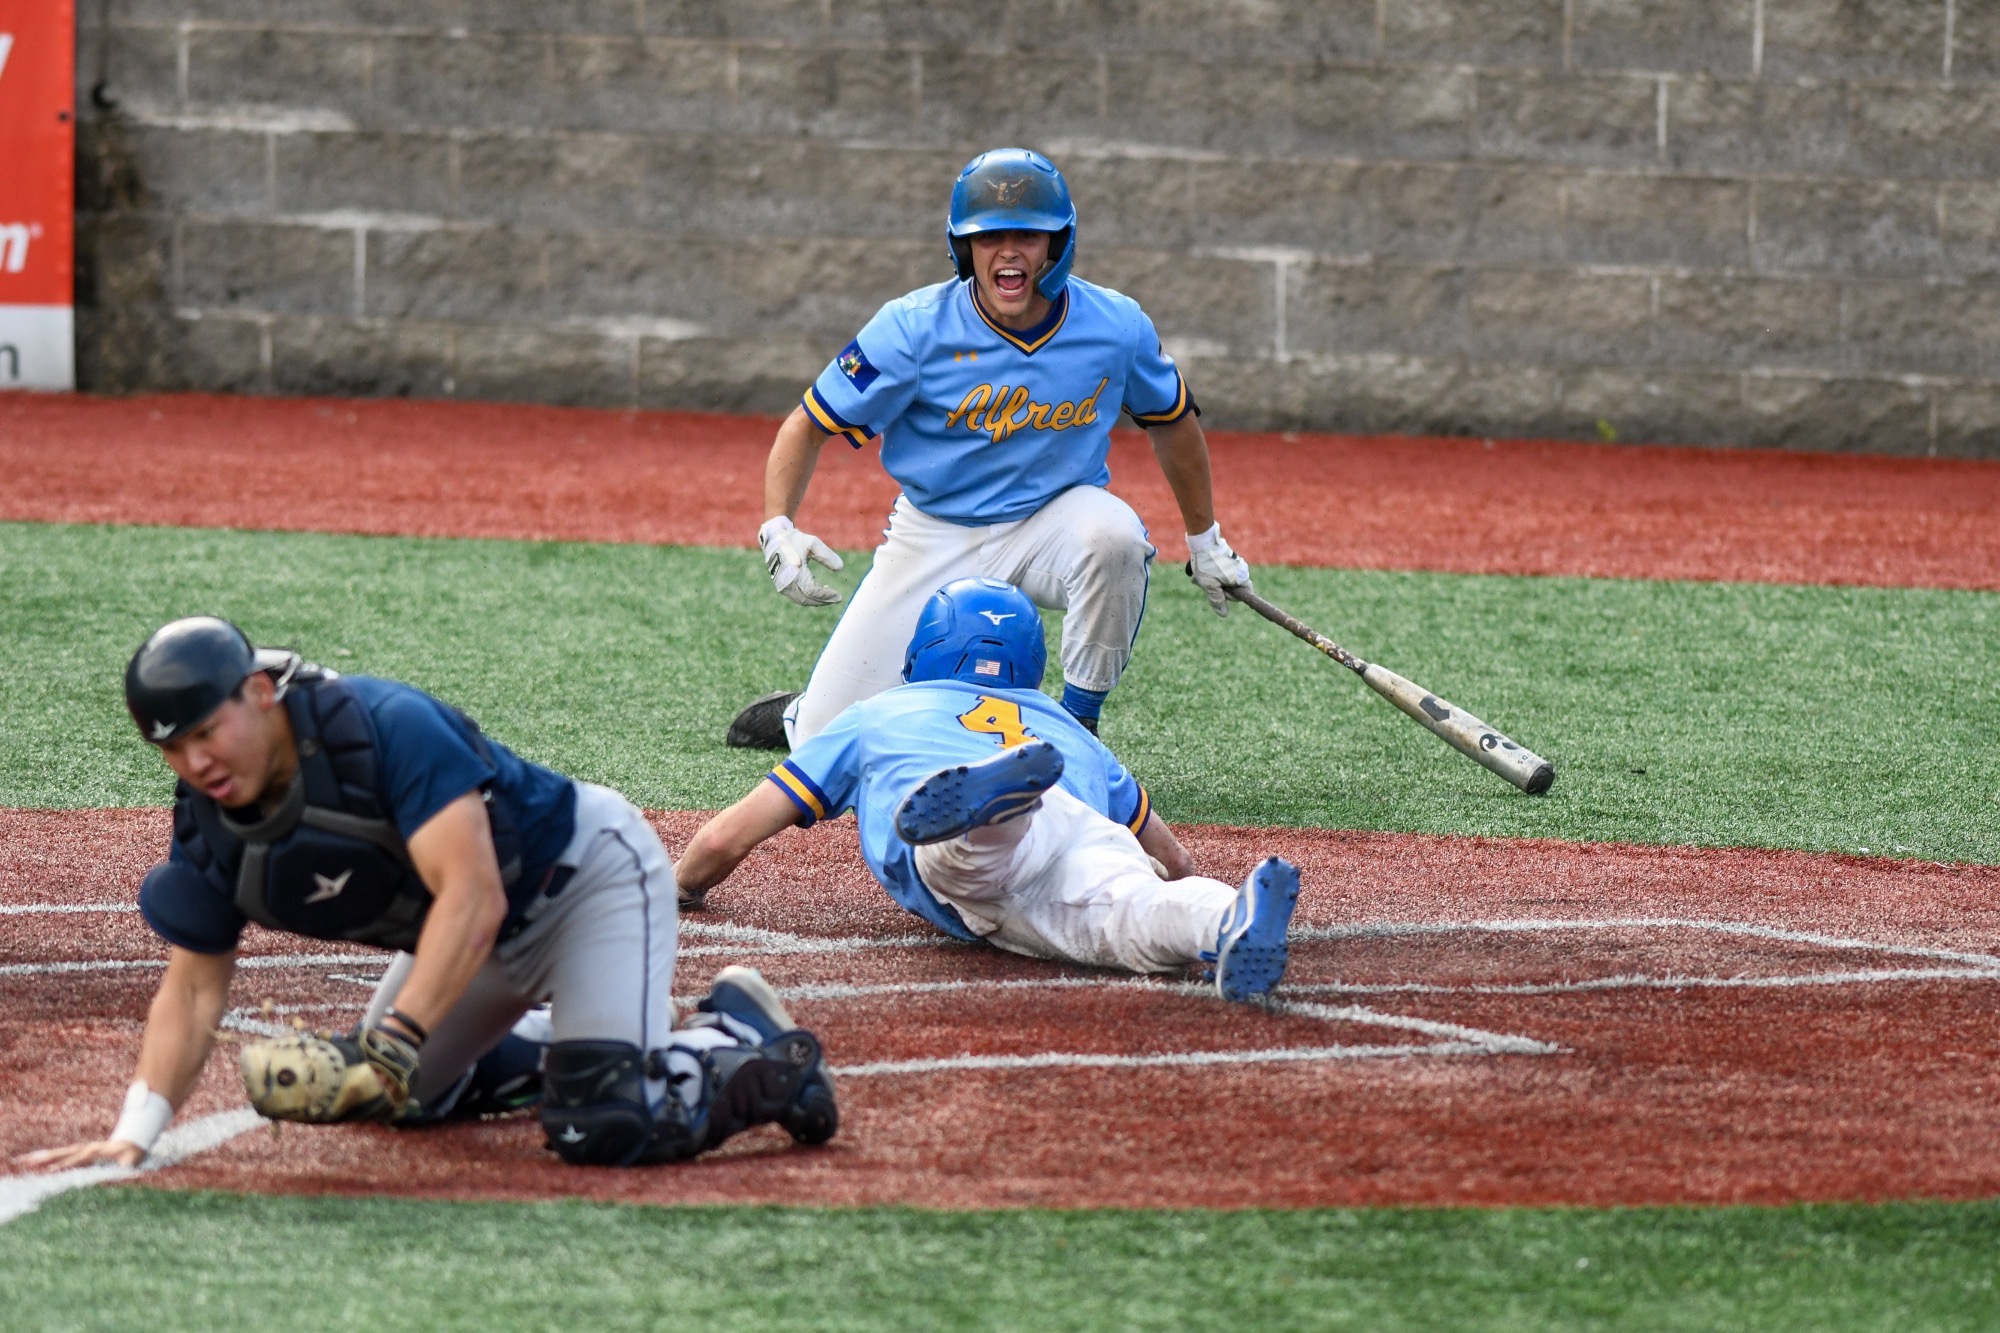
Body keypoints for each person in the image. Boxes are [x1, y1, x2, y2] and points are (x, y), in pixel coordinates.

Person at [17, 617, 835, 1173]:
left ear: (260, 693)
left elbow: (473, 897)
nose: (195, 762)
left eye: (206, 731)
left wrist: (394, 1039)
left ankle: (749, 1040)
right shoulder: (210, 825)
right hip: (475, 935)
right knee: (404, 1101)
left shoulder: (380, 726)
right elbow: (193, 989)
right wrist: (135, 1132)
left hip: (584, 883)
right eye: (172, 749)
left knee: (603, 1122)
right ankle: (576, 1042)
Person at [727, 146, 1254, 751]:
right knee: (827, 743)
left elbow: (1173, 421)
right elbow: (807, 424)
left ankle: (1078, 727)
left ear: (1057, 243)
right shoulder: (911, 327)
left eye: (1026, 235)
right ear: (963, 246)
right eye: (989, 236)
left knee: (1115, 538)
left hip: (1053, 522)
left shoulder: (1117, 325)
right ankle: (806, 711)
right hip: (936, 531)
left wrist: (1204, 538)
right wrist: (778, 524)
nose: (1007, 251)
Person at [689, 580, 1299, 1001]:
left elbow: (725, 838)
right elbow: (1174, 858)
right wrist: (1170, 873)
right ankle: (1228, 917)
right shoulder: (1068, 728)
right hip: (1079, 817)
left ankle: (994, 811)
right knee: (1137, 909)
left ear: (923, 652)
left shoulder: (877, 712)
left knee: (967, 864)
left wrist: (682, 885)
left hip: (976, 844)